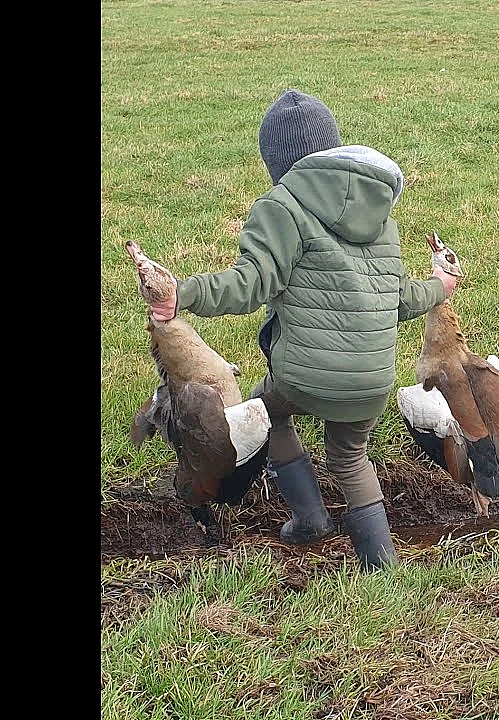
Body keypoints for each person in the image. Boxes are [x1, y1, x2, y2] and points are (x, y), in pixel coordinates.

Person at [144, 89, 458, 571]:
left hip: (304, 378)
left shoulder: (281, 207)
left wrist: (180, 295)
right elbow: (399, 301)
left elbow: (249, 284)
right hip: (372, 381)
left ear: (276, 162)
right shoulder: (382, 215)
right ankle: (382, 563)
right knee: (351, 458)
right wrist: (439, 285)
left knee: (267, 410)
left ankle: (310, 518)